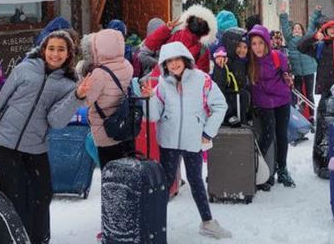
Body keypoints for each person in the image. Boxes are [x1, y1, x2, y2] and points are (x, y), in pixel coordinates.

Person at [0, 30, 84, 244]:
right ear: (44, 49)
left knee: (43, 195)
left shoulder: (69, 84)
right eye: (51, 48)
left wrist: (77, 97)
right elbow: (0, 104)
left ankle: (39, 239)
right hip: (6, 143)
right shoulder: (24, 69)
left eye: (61, 49)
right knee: (14, 196)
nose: (55, 54)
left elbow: (56, 120)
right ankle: (16, 238)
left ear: (69, 54)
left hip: (36, 146)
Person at [142, 42, 231, 240]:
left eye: (177, 59)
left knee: (196, 180)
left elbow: (220, 105)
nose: (174, 64)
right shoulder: (162, 84)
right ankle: (153, 223)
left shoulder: (203, 80)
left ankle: (207, 222)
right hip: (169, 141)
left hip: (193, 141)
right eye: (169, 61)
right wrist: (149, 100)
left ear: (184, 59)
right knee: (165, 183)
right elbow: (153, 116)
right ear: (164, 64)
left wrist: (207, 132)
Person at [248, 25, 296, 190]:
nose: (257, 47)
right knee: (268, 135)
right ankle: (261, 170)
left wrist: (288, 78)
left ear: (267, 43)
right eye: (253, 44)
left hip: (281, 100)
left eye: (260, 43)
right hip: (262, 102)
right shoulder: (250, 60)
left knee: (281, 135)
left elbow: (287, 72)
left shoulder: (278, 57)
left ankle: (282, 169)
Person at [81, 29, 135, 168]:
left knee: (108, 170)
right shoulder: (127, 65)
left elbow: (85, 100)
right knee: (122, 169)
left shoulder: (99, 73)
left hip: (105, 128)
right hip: (122, 124)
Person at [297, 6, 334, 117]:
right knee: (323, 122)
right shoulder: (320, 47)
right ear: (325, 30)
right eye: (330, 28)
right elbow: (300, 46)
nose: (333, 30)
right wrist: (314, 37)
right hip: (326, 91)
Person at [143, 5, 217, 73]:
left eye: (201, 22)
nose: (198, 24)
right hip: (164, 81)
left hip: (176, 84)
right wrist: (166, 29)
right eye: (197, 20)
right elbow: (150, 44)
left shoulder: (202, 50)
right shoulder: (175, 34)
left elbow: (200, 77)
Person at [279, 5, 318, 122]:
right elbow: (285, 27)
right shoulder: (290, 40)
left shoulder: (307, 39)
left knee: (309, 94)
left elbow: (312, 27)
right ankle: (300, 115)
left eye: (299, 28)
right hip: (296, 72)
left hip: (308, 71)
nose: (296, 30)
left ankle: (311, 115)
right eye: (295, 28)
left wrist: (316, 12)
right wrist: (283, 13)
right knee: (298, 95)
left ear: (302, 31)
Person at [210, 27, 250, 126]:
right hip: (230, 117)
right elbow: (219, 92)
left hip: (241, 113)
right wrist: (230, 115)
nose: (242, 50)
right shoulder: (223, 64)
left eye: (245, 47)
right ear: (232, 45)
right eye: (239, 46)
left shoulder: (246, 63)